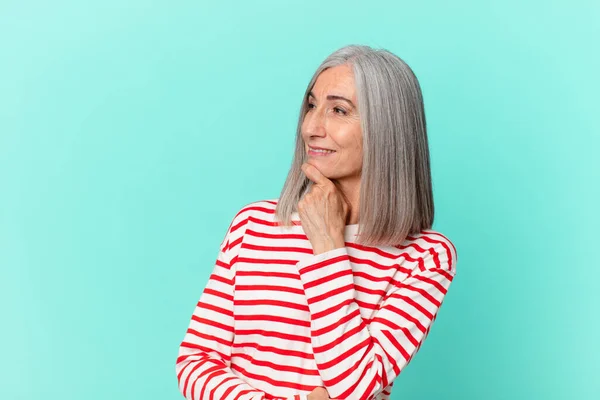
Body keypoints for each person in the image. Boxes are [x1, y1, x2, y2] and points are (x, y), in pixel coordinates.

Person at [175, 44, 458, 400]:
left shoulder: (425, 257)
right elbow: (196, 361)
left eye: (339, 110)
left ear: (388, 129)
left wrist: (328, 247)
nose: (311, 127)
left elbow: (353, 387)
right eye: (311, 106)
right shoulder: (254, 225)